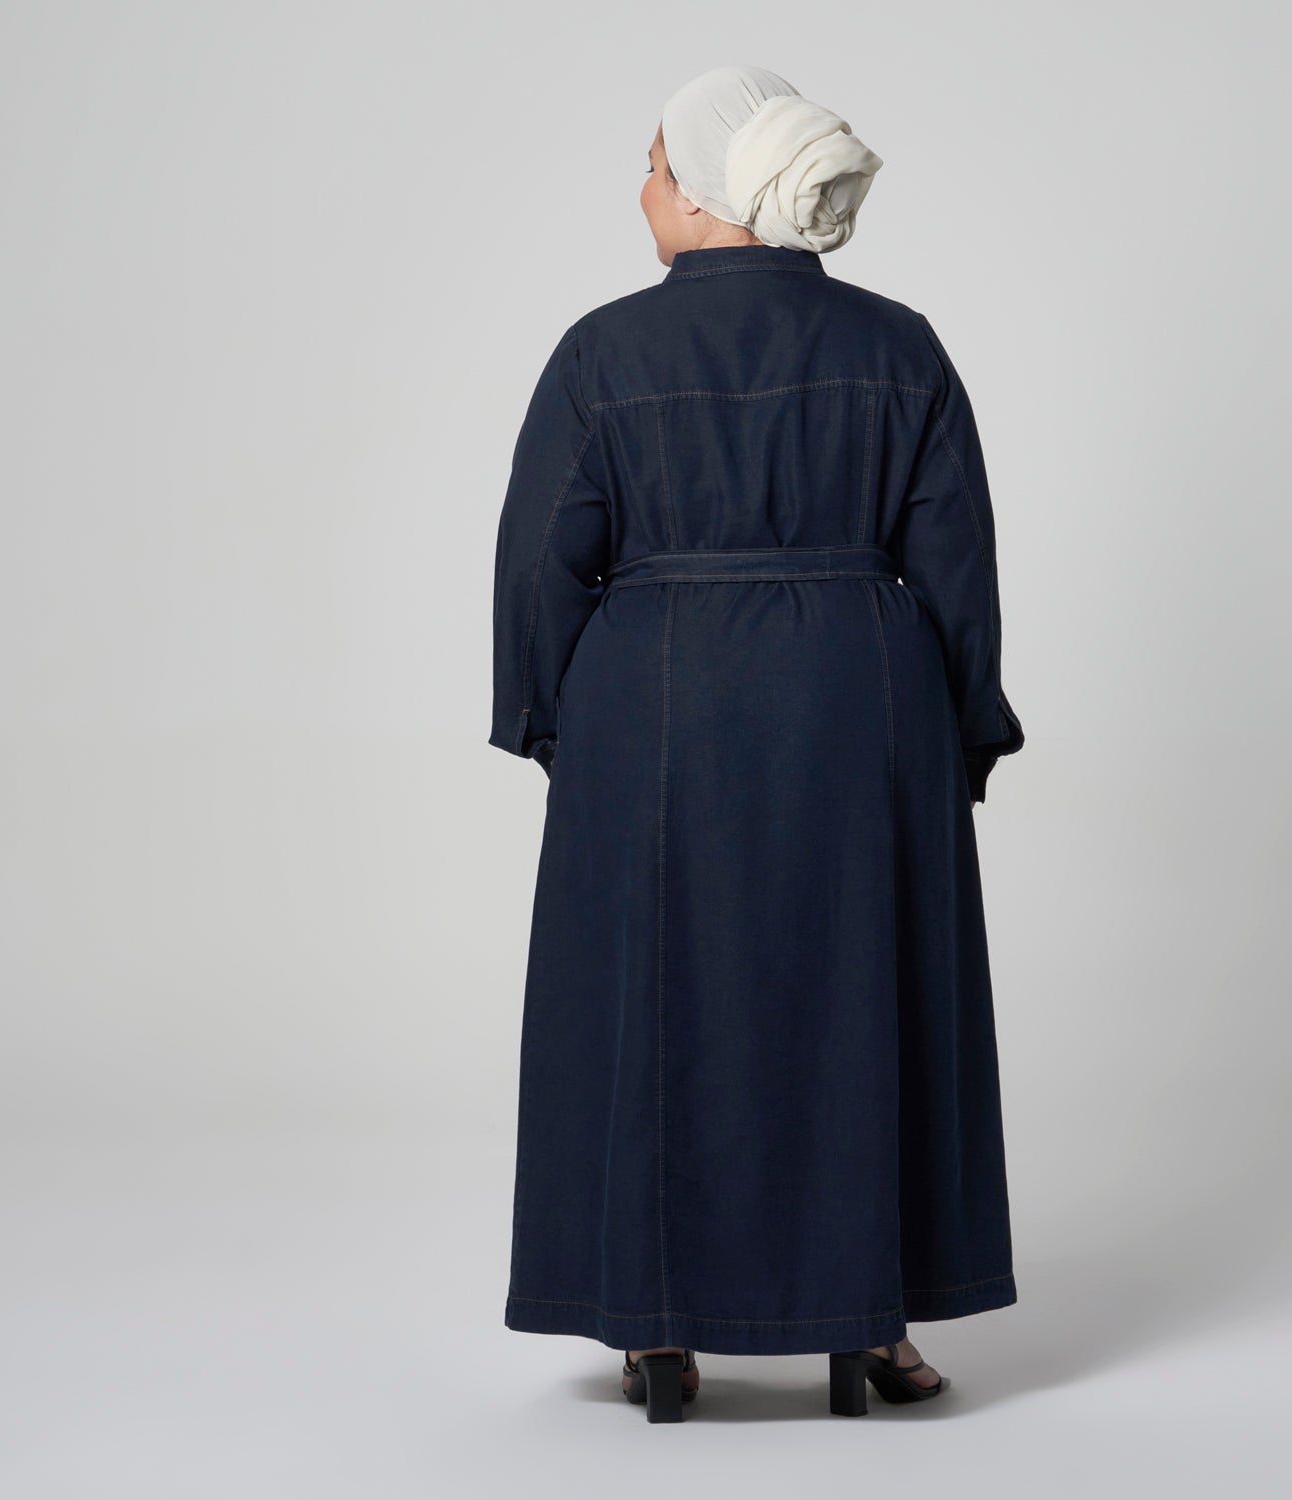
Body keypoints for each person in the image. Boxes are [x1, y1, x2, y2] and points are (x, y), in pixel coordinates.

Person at [489, 64, 1025, 1423]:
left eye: (653, 167)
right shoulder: (900, 346)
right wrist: (960, 728)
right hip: (865, 698)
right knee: (861, 995)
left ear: (703, 191)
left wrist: (560, 723)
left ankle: (655, 1327)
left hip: (653, 700)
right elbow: (957, 562)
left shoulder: (604, 353)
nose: (640, 191)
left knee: (654, 1006)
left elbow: (543, 562)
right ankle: (872, 1322)